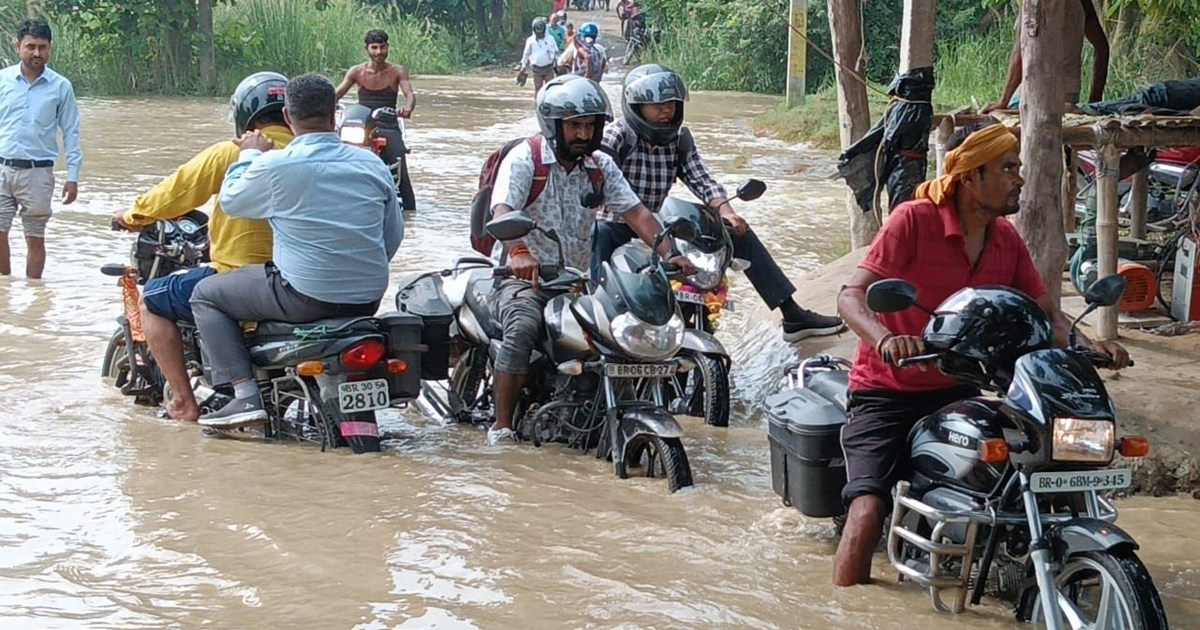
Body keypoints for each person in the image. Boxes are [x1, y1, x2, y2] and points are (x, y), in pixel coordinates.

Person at [831, 122, 1132, 587]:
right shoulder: (913, 220)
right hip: (888, 390)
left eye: (1019, 168)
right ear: (971, 177)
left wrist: (1090, 347)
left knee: (1041, 466)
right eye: (1008, 168)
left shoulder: (1006, 239)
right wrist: (887, 340)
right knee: (868, 507)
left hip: (963, 388)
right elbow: (852, 297)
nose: (1019, 179)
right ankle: (845, 601)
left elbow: (1046, 316)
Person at [485, 75, 695, 445]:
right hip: (523, 281)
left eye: (590, 125)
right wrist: (519, 252)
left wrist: (671, 253)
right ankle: (501, 426)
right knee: (521, 328)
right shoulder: (526, 160)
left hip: (577, 282)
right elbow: (502, 209)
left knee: (621, 332)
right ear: (554, 126)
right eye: (575, 126)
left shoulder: (599, 166)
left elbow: (637, 213)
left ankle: (597, 408)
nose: (583, 134)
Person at [191, 73, 403, 429]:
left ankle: (245, 396)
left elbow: (231, 200)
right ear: (334, 116)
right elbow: (391, 238)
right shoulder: (372, 164)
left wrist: (248, 155)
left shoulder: (275, 165)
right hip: (367, 299)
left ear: (289, 116)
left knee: (205, 295)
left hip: (304, 298)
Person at [597, 65, 845, 341]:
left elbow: (703, 181)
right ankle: (600, 325)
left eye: (671, 104)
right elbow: (603, 186)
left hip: (658, 227)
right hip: (617, 225)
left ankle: (792, 314)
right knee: (599, 237)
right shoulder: (616, 136)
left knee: (738, 234)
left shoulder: (678, 140)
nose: (666, 110)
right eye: (657, 105)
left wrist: (727, 212)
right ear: (636, 106)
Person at [111, 72, 292, 422]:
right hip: (299, 280)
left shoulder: (232, 154)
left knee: (153, 300)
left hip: (241, 279)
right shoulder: (304, 154)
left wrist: (131, 215)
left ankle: (183, 400)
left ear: (244, 116)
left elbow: (174, 192)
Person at [0, 19, 81, 279]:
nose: (37, 53)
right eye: (30, 46)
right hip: (2, 167)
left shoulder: (60, 86)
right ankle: (5, 289)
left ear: (50, 48)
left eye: (42, 47)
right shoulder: (2, 81)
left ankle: (34, 289)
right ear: (18, 46)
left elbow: (71, 132)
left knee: (35, 237)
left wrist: (73, 177)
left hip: (38, 173)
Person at [334, 29, 417, 211]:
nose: (379, 52)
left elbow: (409, 94)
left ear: (388, 47)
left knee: (399, 161)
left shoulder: (397, 72)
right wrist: (326, 106)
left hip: (388, 124)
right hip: (361, 123)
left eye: (382, 47)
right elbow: (337, 93)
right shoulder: (356, 72)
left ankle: (410, 209)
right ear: (367, 49)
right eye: (374, 48)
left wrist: (407, 108)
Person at [980, 0, 1108, 114]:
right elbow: (1103, 49)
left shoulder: (1032, 3)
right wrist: (1094, 102)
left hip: (1032, 95)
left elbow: (1021, 52)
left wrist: (1003, 101)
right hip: (1068, 94)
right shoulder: (1083, 3)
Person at [517, 17, 561, 97]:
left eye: (541, 31)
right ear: (534, 30)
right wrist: (523, 67)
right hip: (537, 69)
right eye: (538, 31)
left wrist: (558, 64)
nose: (539, 33)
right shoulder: (530, 41)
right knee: (538, 88)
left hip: (549, 68)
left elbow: (556, 53)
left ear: (544, 30)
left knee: (550, 88)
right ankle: (537, 105)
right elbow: (526, 54)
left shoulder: (550, 39)